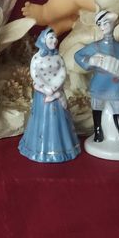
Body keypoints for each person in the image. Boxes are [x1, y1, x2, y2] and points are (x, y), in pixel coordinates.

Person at [74, 11, 119, 144]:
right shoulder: (95, 46)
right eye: (100, 24)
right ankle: (98, 131)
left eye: (105, 23)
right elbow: (78, 55)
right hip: (100, 82)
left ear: (113, 24)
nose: (103, 27)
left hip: (116, 84)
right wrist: (90, 60)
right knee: (97, 106)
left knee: (118, 107)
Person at [18, 27, 80, 162]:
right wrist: (46, 89)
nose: (55, 40)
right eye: (51, 37)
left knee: (59, 118)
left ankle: (61, 147)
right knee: (43, 117)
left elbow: (62, 72)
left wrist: (54, 87)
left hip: (56, 91)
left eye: (55, 37)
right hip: (42, 93)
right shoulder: (36, 58)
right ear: (43, 40)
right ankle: (39, 147)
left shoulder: (58, 57)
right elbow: (35, 74)